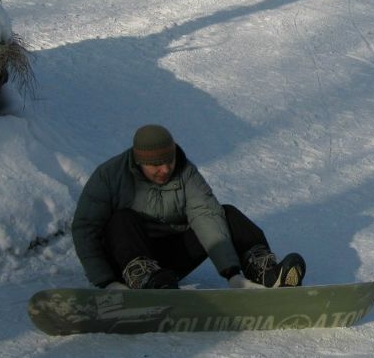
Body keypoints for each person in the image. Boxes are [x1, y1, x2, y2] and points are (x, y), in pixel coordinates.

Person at [70, 124, 306, 290]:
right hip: (124, 259)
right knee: (121, 219)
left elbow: (206, 215)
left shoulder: (186, 173)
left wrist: (231, 273)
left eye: (169, 161)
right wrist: (106, 281)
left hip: (168, 263)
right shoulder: (109, 176)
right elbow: (85, 228)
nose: (165, 170)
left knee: (226, 213)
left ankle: (266, 272)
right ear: (140, 162)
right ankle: (142, 276)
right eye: (156, 165)